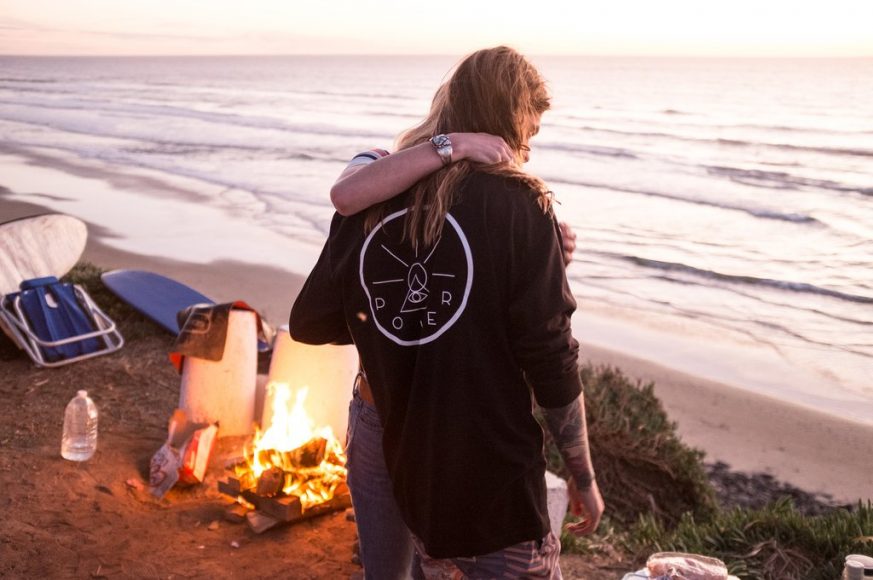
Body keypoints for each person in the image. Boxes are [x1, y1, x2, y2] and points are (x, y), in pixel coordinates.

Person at [289, 46, 603, 578]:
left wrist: (546, 260)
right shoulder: (521, 205)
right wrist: (583, 475)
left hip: (379, 414)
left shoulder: (378, 191)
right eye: (530, 126)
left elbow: (319, 318)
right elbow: (548, 350)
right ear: (509, 116)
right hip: (469, 435)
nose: (529, 144)